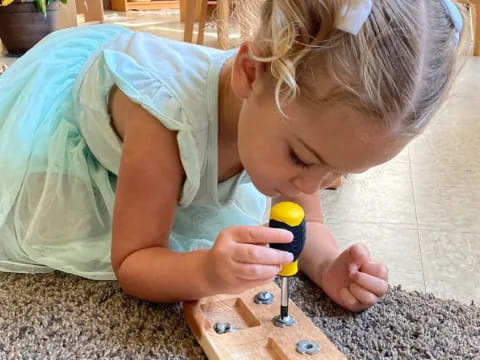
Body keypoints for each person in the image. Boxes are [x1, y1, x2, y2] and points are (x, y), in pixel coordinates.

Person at [0, 0, 464, 312]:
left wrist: (327, 266)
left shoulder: (296, 123)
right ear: (249, 73)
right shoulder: (162, 122)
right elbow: (134, 262)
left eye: (338, 173)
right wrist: (204, 271)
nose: (311, 188)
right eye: (303, 160)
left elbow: (311, 226)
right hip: (77, 97)